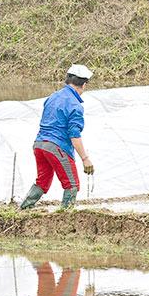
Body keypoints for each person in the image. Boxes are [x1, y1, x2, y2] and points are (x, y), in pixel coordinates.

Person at [20, 64, 94, 210]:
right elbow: (74, 135)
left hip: (39, 144)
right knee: (72, 184)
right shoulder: (75, 105)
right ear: (84, 84)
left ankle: (24, 208)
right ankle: (65, 215)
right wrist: (85, 159)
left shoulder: (53, 97)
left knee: (43, 180)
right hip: (57, 147)